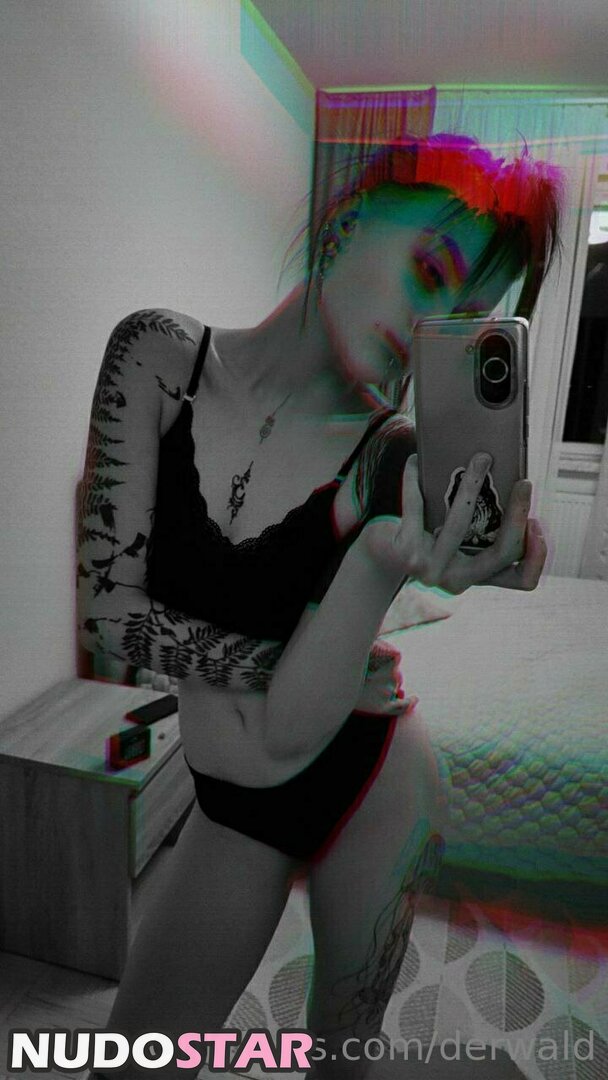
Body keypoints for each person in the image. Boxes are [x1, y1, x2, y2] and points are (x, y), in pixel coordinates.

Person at [77, 133, 562, 1078]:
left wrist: (459, 553)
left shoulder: (391, 455)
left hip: (376, 788)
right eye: (430, 272)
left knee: (341, 1063)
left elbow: (296, 726)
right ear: (345, 221)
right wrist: (280, 660)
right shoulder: (157, 357)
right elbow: (110, 613)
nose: (430, 325)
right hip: (232, 807)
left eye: (464, 320)